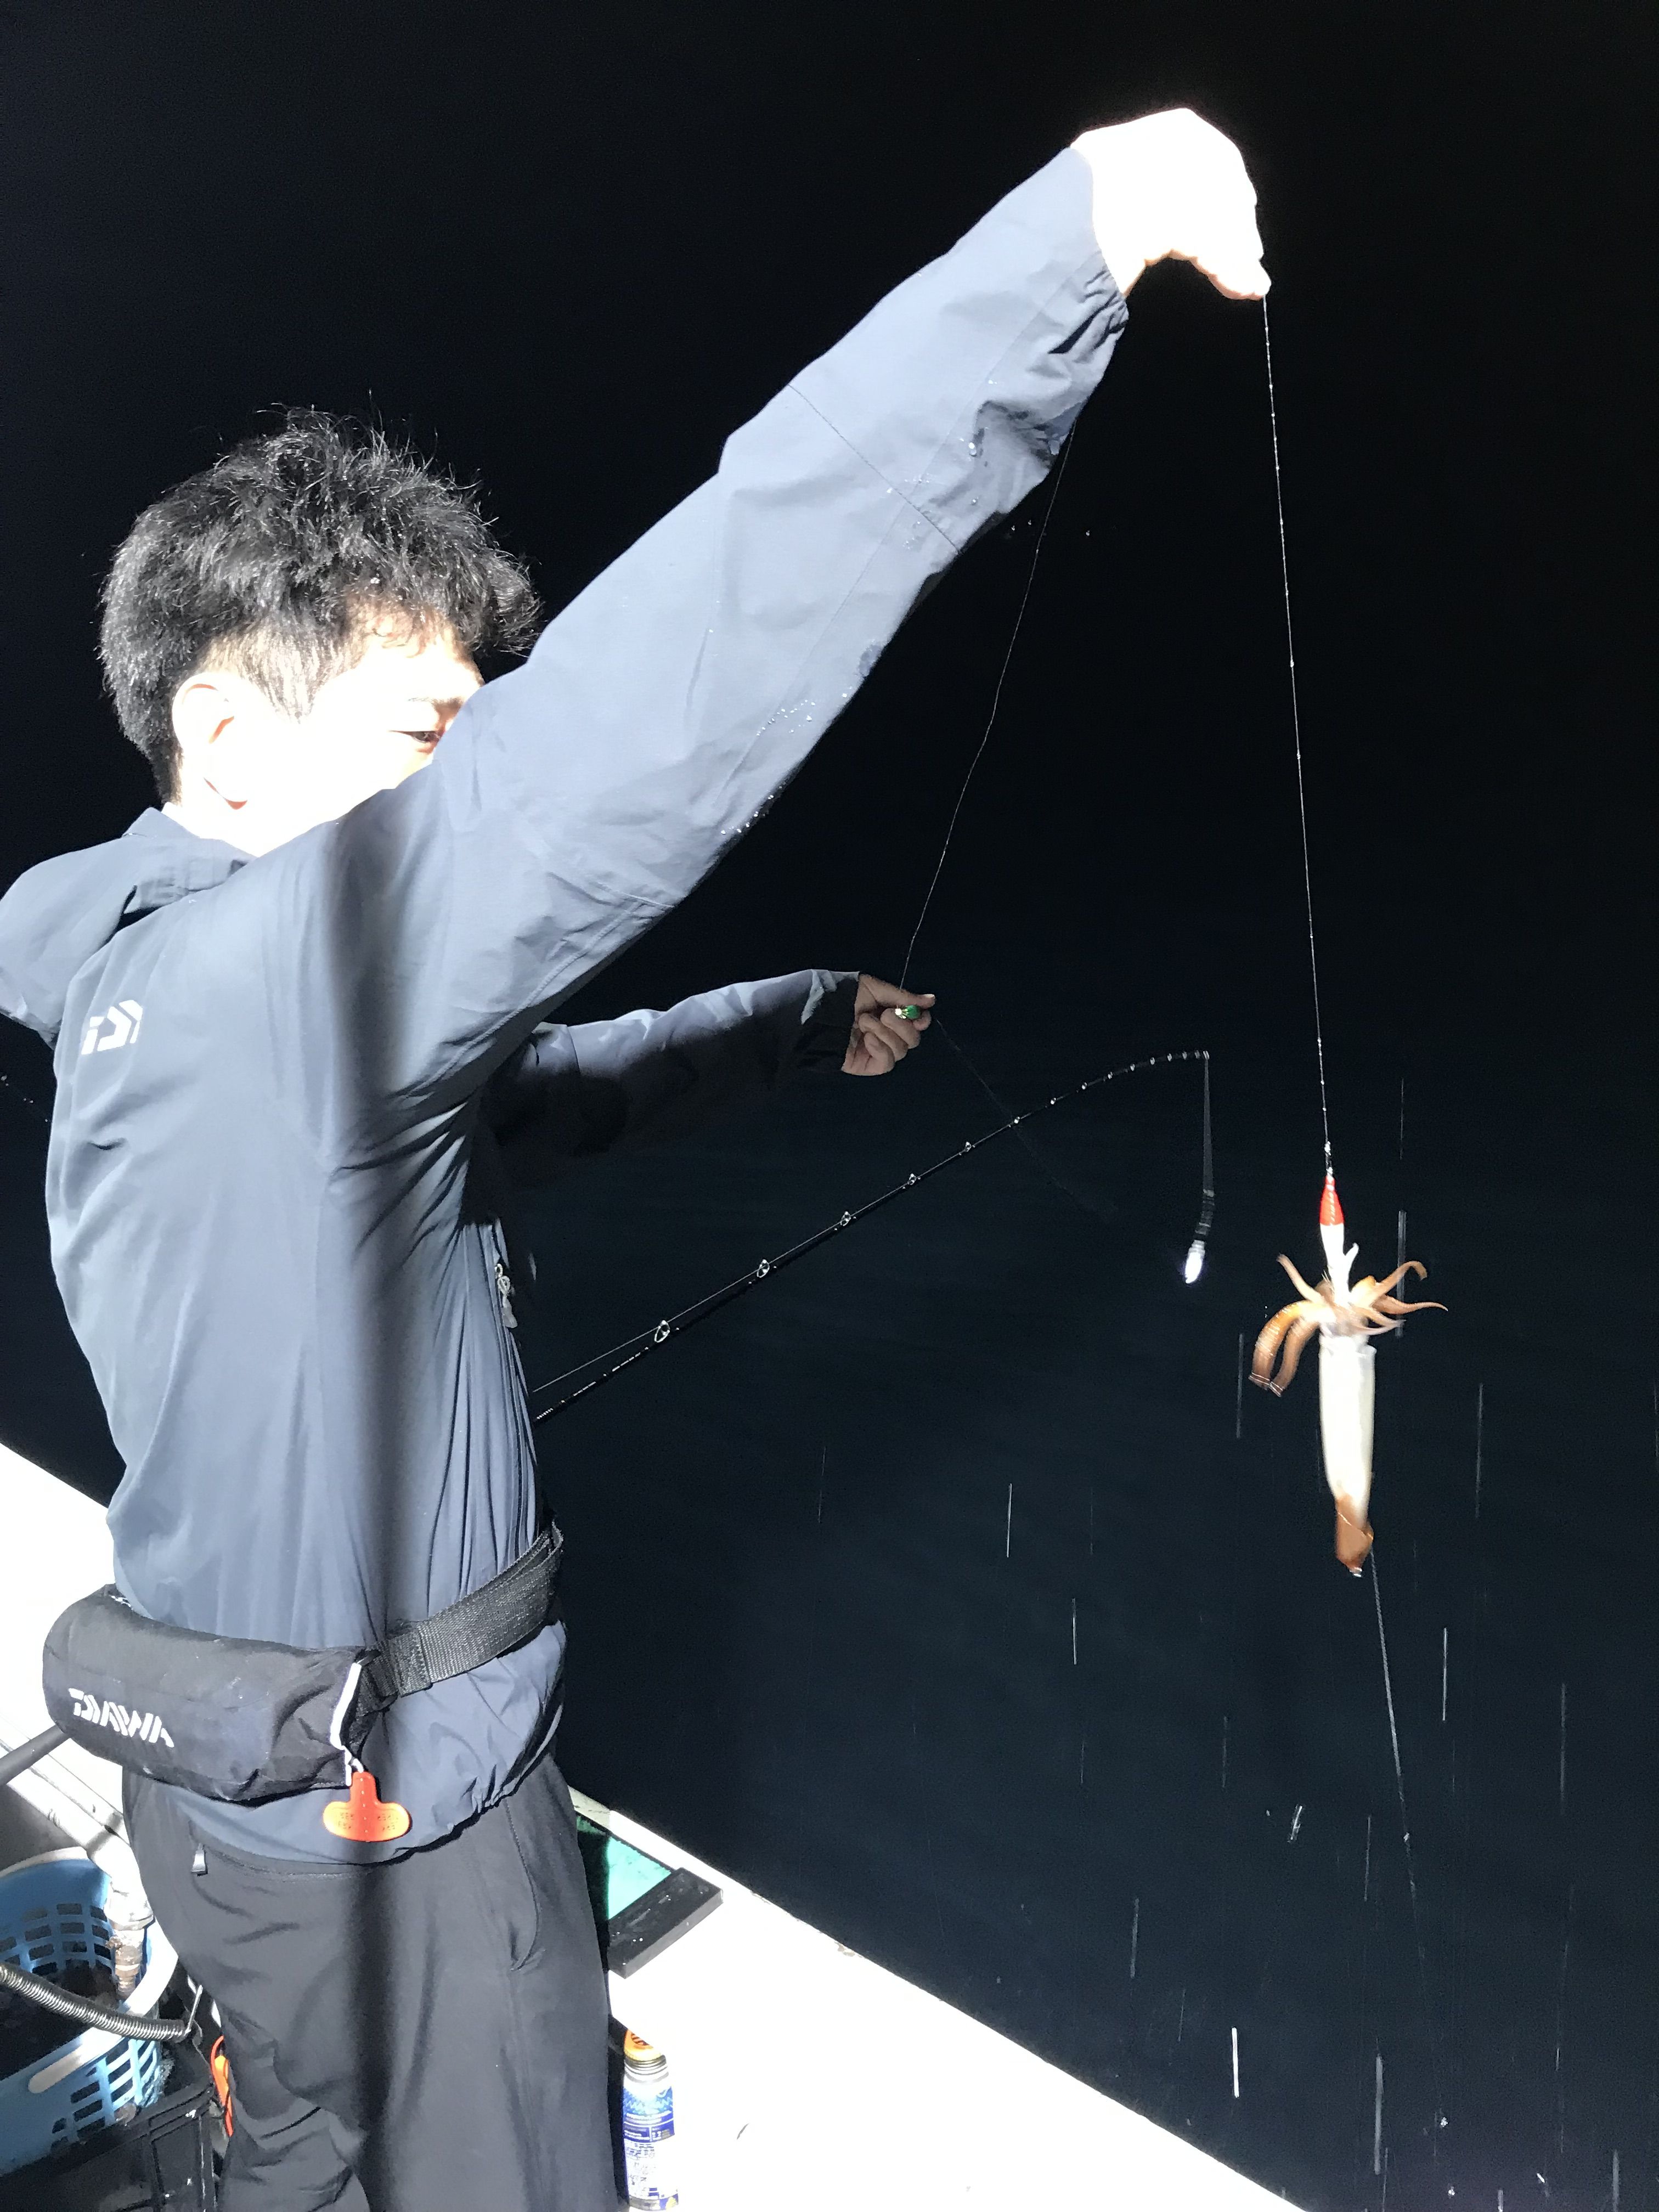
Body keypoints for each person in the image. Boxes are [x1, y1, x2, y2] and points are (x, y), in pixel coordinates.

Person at [0, 106, 1266, 2212]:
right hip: (402, 1838)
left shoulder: (145, 980)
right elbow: (644, 710)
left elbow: (549, 1098)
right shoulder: (284, 979)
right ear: (226, 742)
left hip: (225, 1804)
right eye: (427, 745)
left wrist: (795, 1022)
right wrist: (1063, 248)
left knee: (296, 2145)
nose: (462, 792)